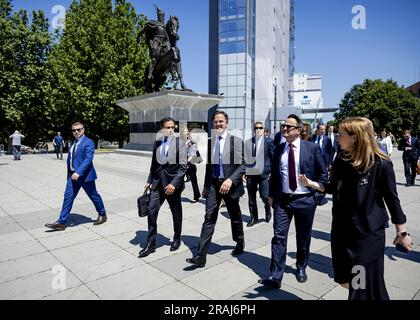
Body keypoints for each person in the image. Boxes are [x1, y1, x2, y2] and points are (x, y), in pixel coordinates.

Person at [299, 117, 412, 300]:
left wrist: (402, 232)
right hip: (342, 230)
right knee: (355, 281)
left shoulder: (380, 163)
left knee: (359, 284)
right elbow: (333, 186)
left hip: (366, 235)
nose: (337, 138)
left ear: (355, 137)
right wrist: (312, 184)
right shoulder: (341, 159)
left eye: (341, 135)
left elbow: (392, 199)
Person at [258, 114, 328, 289]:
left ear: (299, 130)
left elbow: (323, 176)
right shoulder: (279, 148)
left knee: (303, 238)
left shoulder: (311, 148)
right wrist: (272, 195)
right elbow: (274, 175)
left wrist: (315, 198)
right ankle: (276, 275)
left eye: (289, 126)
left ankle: (301, 266)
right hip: (283, 201)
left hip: (305, 200)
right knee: (279, 237)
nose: (284, 129)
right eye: (283, 126)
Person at [186, 110, 246, 268]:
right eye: (216, 122)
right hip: (213, 185)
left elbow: (244, 165)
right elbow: (206, 165)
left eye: (221, 121)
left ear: (227, 123)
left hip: (230, 185)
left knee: (235, 216)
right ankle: (201, 255)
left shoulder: (236, 141)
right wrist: (205, 186)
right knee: (209, 218)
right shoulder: (210, 142)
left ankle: (239, 241)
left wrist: (231, 179)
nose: (218, 124)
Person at [139, 117, 188, 258]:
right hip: (157, 184)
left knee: (176, 213)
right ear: (162, 128)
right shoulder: (157, 142)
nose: (171, 130)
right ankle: (151, 244)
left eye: (173, 127)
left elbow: (183, 167)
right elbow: (154, 164)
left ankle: (177, 238)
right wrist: (149, 180)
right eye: (168, 127)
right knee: (151, 211)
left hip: (173, 185)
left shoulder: (181, 144)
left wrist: (173, 184)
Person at [45, 121, 107, 231]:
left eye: (79, 129)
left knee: (93, 195)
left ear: (83, 129)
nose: (76, 132)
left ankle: (102, 214)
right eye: (74, 130)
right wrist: (71, 173)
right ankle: (61, 222)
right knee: (68, 197)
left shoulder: (89, 142)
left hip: (85, 176)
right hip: (72, 176)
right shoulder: (74, 142)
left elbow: (88, 159)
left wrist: (78, 172)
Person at [244, 121, 274, 227]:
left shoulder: (269, 142)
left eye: (260, 128)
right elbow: (246, 158)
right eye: (256, 128)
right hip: (251, 173)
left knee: (264, 196)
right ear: (253, 130)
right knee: (251, 197)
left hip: (264, 174)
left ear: (263, 129)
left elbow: (273, 158)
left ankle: (267, 208)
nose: (258, 130)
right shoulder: (248, 142)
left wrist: (271, 172)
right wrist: (244, 172)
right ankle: (254, 218)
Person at [181, 127, 201, 203]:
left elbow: (192, 154)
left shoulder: (192, 142)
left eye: (188, 131)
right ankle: (176, 196)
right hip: (182, 164)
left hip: (190, 165)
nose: (187, 133)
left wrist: (185, 162)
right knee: (179, 180)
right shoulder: (180, 142)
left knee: (194, 182)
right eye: (185, 131)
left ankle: (196, 196)